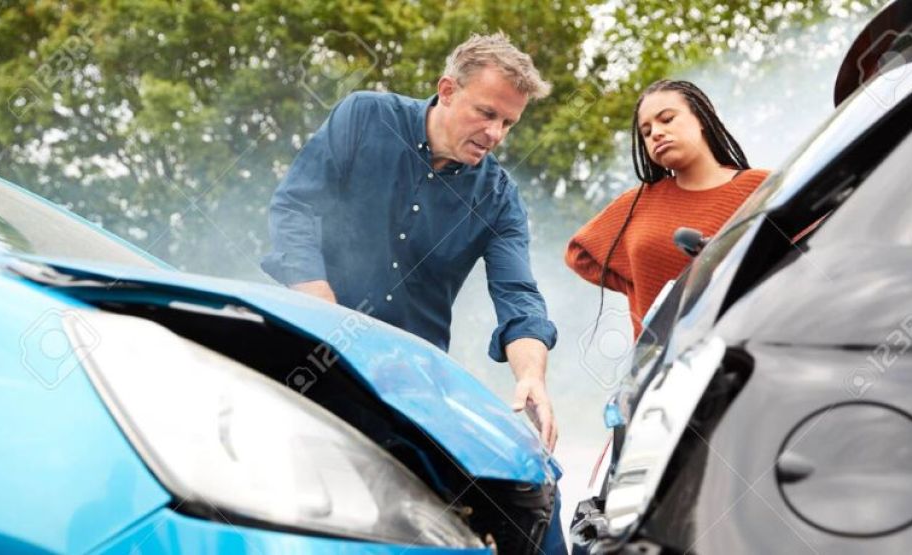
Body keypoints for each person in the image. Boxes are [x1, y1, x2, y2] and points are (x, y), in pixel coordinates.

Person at [262, 32, 560, 458]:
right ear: (448, 90)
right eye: (486, 112)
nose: (495, 134)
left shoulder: (498, 198)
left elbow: (519, 297)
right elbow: (294, 207)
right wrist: (325, 316)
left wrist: (531, 376)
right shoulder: (365, 116)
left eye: (508, 123)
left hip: (406, 389)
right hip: (307, 355)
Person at [565, 80, 770, 336]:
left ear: (702, 117)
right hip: (662, 366)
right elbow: (579, 254)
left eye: (667, 119)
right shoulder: (639, 202)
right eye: (647, 132)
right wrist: (640, 286)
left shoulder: (760, 186)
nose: (657, 134)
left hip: (749, 348)